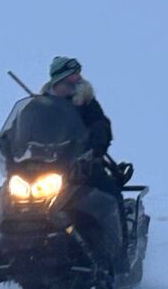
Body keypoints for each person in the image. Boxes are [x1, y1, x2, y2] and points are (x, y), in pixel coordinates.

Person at [41, 56, 121, 195]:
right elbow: (24, 128)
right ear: (58, 81)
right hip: (43, 163)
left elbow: (100, 122)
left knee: (109, 192)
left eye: (77, 75)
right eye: (71, 77)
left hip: (81, 165)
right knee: (6, 196)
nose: (76, 80)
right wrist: (5, 142)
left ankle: (120, 215)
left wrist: (98, 138)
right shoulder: (40, 106)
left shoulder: (86, 102)